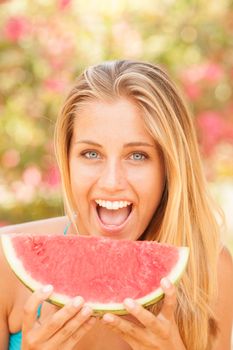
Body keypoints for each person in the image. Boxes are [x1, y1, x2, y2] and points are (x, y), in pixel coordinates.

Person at [0, 60, 232, 350]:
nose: (111, 182)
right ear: (67, 159)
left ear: (169, 168)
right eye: (90, 153)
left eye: (137, 156)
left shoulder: (209, 272)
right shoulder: (4, 267)